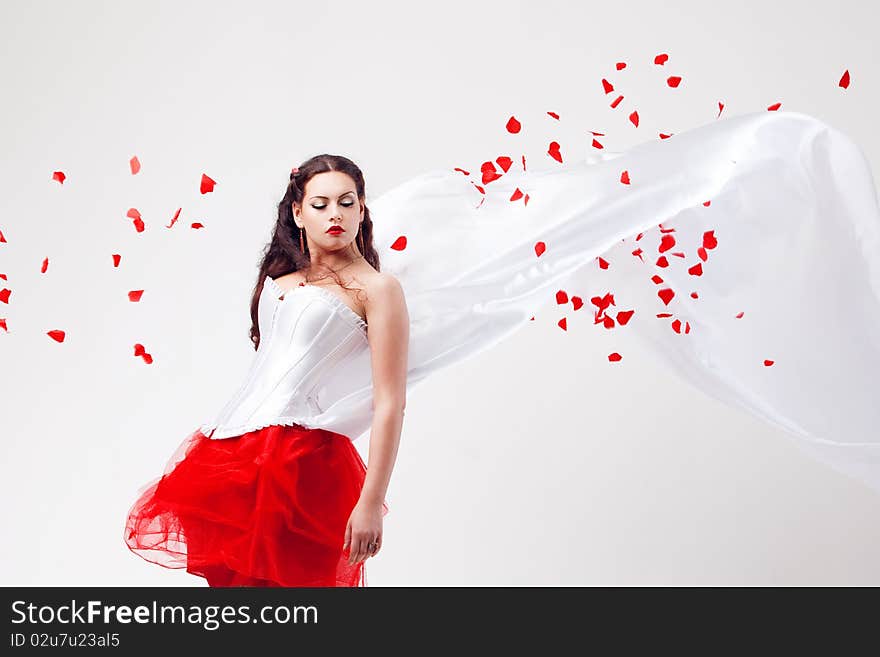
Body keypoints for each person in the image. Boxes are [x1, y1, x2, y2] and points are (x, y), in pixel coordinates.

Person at [125, 155, 407, 587]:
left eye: (347, 202)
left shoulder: (378, 289)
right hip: (231, 454)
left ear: (362, 209)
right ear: (298, 211)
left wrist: (372, 501)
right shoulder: (282, 277)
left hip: (301, 465)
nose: (335, 214)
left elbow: (390, 402)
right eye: (320, 204)